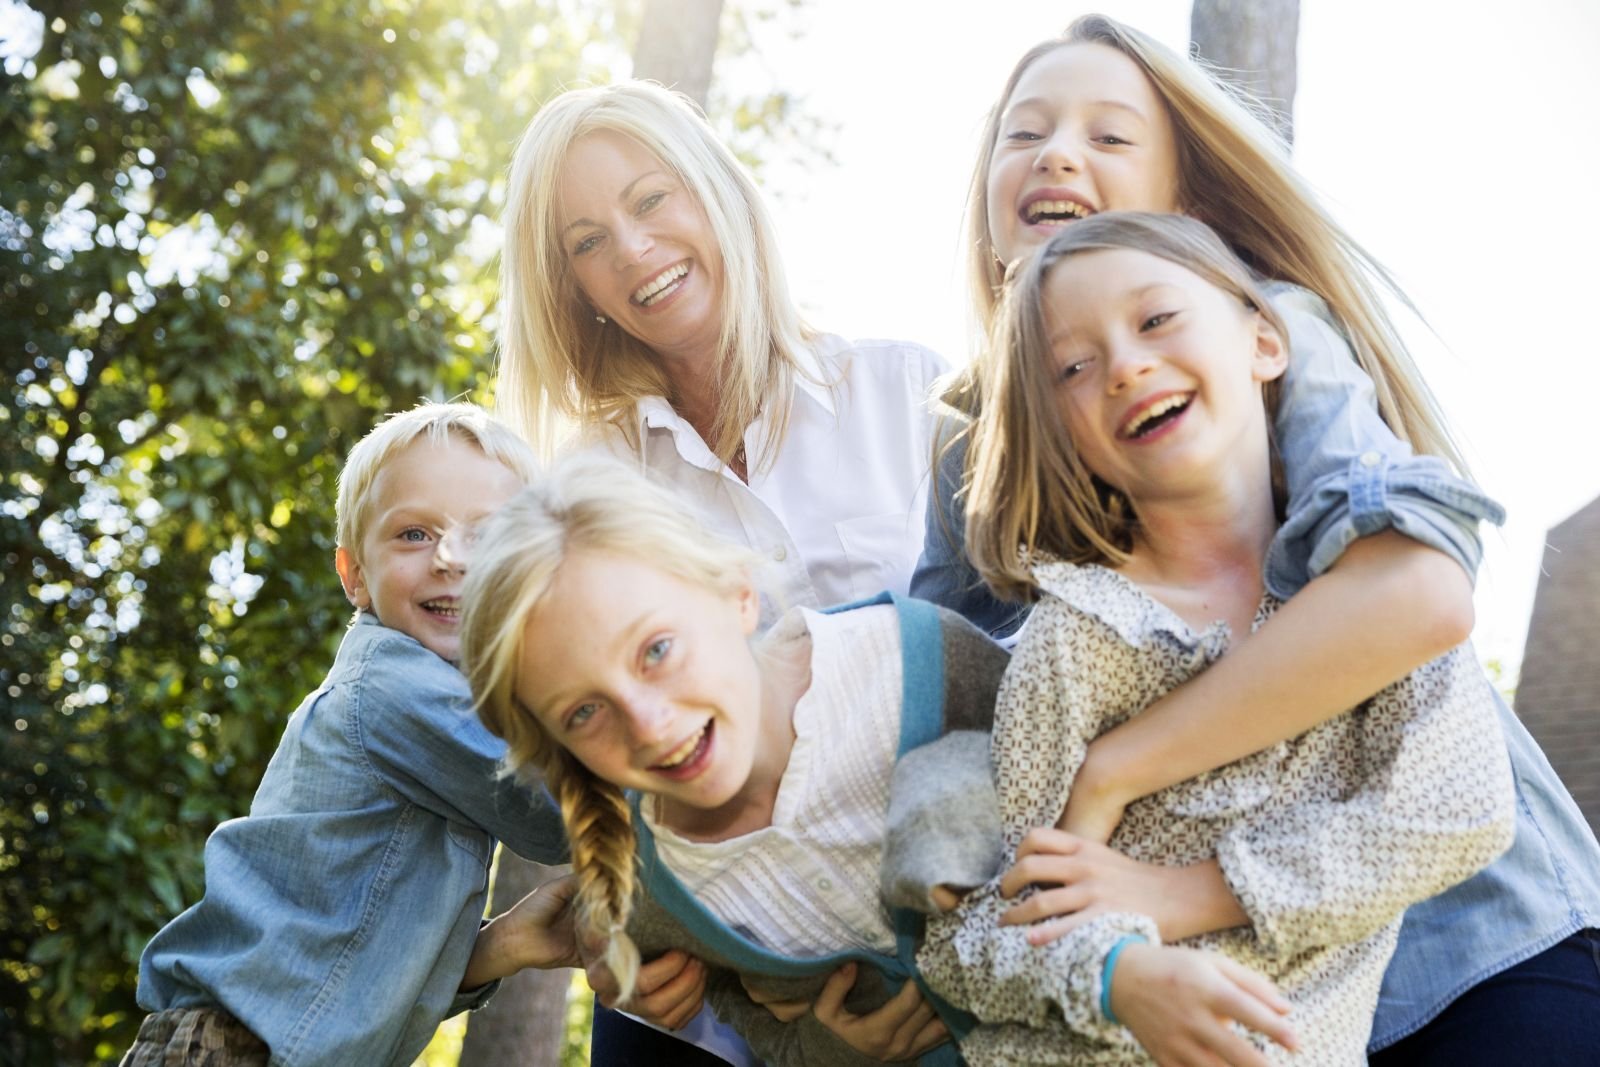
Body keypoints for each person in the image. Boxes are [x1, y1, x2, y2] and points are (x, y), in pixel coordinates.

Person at [909, 16, 1600, 1062]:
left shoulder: (1263, 331)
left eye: (1108, 136)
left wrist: (1118, 769)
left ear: (1185, 207)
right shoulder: (971, 447)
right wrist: (896, 953)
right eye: (1025, 133)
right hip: (1202, 992)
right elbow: (947, 723)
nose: (1057, 155)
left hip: (1461, 935)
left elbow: (1416, 597)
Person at [458, 452, 1310, 1067]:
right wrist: (831, 1048)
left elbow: (1106, 804)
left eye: (656, 650)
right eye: (584, 711)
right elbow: (760, 1026)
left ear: (735, 594)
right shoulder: (658, 891)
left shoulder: (914, 660)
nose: (647, 722)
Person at [497, 79, 947, 1061]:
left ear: (716, 190)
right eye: (587, 241)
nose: (632, 250)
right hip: (711, 975)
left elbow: (1000, 655)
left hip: (931, 911)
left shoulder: (911, 393)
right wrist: (634, 938)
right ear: (572, 287)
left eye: (651, 199)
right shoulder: (582, 490)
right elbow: (583, 743)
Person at [121, 403, 575, 1067]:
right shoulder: (396, 688)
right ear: (355, 574)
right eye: (414, 534)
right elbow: (557, 813)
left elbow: (356, 970)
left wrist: (497, 947)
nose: (451, 559)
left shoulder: (425, 694)